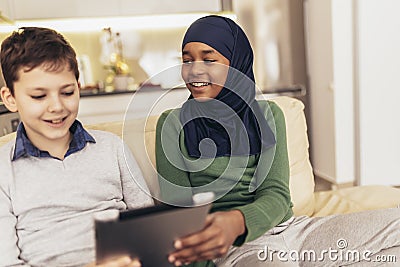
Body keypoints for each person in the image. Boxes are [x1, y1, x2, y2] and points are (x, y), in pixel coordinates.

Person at [155, 15, 400, 267]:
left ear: (236, 63)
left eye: (208, 59)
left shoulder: (268, 114)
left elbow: (277, 195)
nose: (194, 69)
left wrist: (239, 219)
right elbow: (180, 217)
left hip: (293, 231)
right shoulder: (172, 124)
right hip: (237, 248)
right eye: (187, 60)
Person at [0, 27, 152, 267]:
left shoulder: (112, 148)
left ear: (78, 87)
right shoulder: (3, 170)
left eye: (67, 92)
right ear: (10, 98)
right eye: (39, 96)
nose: (57, 106)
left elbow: (150, 228)